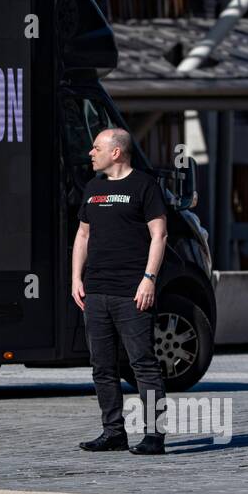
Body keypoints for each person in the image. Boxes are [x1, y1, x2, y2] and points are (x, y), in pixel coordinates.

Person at [72, 127, 170, 456]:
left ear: (116, 152)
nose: (91, 152)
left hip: (132, 291)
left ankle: (154, 436)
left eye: (96, 147)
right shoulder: (93, 188)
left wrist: (149, 278)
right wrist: (76, 278)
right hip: (96, 291)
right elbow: (82, 236)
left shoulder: (144, 186)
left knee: (143, 363)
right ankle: (113, 432)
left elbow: (160, 235)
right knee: (102, 366)